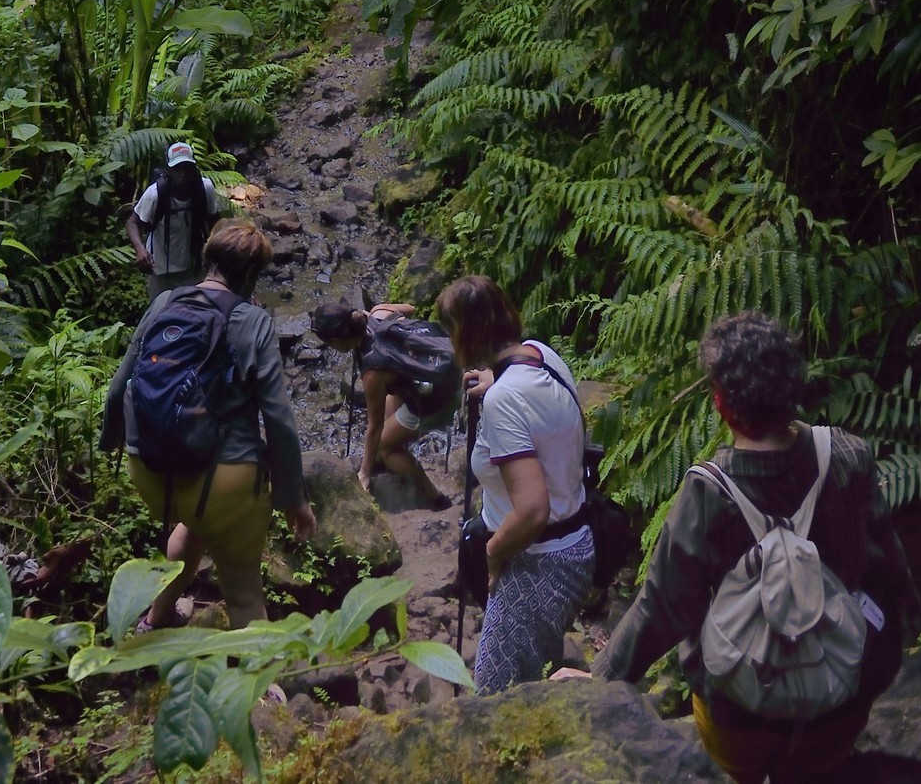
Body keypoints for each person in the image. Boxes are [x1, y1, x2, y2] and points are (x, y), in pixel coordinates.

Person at [595, 311, 907, 783]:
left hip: (739, 714)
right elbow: (889, 573)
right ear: (794, 386)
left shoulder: (708, 491)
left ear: (721, 403)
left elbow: (662, 607)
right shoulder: (848, 456)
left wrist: (598, 682)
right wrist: (880, 662)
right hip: (838, 697)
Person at [102, 218, 317, 630]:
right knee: (243, 591)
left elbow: (117, 389)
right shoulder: (254, 321)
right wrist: (293, 496)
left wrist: (115, 445)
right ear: (250, 275)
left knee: (193, 525)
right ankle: (258, 669)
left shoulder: (164, 302)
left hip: (149, 471)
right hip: (223, 484)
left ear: (207, 258)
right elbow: (278, 418)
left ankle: (155, 621)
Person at [436, 273, 594, 692]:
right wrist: (497, 380)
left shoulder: (504, 399)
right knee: (532, 675)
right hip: (576, 543)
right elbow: (540, 414)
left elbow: (532, 510)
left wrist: (492, 554)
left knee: (494, 694)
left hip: (536, 564)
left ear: (465, 333)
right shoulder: (542, 356)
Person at [310, 298, 458, 508]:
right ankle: (392, 455)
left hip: (435, 399)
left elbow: (375, 426)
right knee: (387, 406)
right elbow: (410, 308)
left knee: (382, 447)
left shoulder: (373, 372)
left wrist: (364, 472)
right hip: (438, 372)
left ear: (336, 341)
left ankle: (435, 497)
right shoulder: (378, 313)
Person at [127, 141, 220, 299]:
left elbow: (215, 222)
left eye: (187, 168)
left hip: (195, 269)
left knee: (196, 311)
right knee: (162, 311)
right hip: (161, 272)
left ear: (194, 168)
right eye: (178, 169)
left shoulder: (205, 189)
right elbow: (133, 223)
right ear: (168, 170)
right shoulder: (155, 194)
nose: (183, 174)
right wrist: (140, 250)